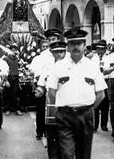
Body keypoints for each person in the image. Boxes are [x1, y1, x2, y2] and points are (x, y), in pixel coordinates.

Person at [47, 29, 107, 159]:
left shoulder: (92, 66)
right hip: (65, 116)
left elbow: (101, 94)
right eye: (72, 44)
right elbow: (51, 93)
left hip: (85, 115)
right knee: (66, 154)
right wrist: (61, 109)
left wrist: (90, 108)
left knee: (84, 154)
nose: (75, 47)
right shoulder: (58, 66)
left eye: (79, 43)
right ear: (68, 46)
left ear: (84, 46)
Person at [36, 41, 67, 159]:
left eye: (61, 52)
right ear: (52, 53)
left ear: (65, 52)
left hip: (67, 107)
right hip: (51, 107)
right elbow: (41, 86)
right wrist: (39, 91)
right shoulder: (47, 68)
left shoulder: (71, 67)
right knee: (52, 140)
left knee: (66, 142)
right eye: (56, 52)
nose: (59, 55)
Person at [30, 28, 61, 140]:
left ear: (58, 39)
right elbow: (38, 73)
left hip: (60, 88)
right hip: (45, 87)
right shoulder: (42, 56)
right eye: (50, 39)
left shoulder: (63, 53)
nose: (52, 41)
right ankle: (43, 132)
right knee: (43, 111)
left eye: (54, 39)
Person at [93, 40, 109, 131]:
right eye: (98, 49)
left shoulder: (108, 57)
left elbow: (106, 70)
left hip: (106, 81)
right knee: (96, 104)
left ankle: (104, 125)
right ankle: (95, 125)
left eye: (102, 49)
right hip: (96, 82)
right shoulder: (93, 57)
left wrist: (103, 70)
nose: (100, 51)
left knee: (105, 106)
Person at [3, 43, 22, 116]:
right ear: (9, 51)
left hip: (16, 77)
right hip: (9, 77)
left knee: (16, 94)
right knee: (7, 94)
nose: (15, 51)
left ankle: (17, 109)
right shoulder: (6, 59)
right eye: (13, 50)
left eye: (15, 50)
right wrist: (6, 80)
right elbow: (4, 70)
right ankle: (7, 109)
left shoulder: (17, 59)